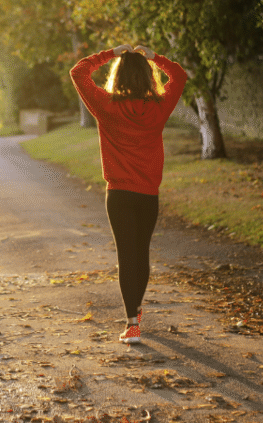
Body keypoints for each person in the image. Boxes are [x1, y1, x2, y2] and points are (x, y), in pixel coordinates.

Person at [70, 44, 188, 344]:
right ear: (148, 78)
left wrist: (110, 53)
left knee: (127, 256)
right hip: (148, 194)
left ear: (118, 76)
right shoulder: (159, 108)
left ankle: (132, 324)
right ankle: (135, 314)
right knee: (141, 253)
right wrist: (154, 57)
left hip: (119, 194)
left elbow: (79, 72)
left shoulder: (106, 106)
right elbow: (179, 75)